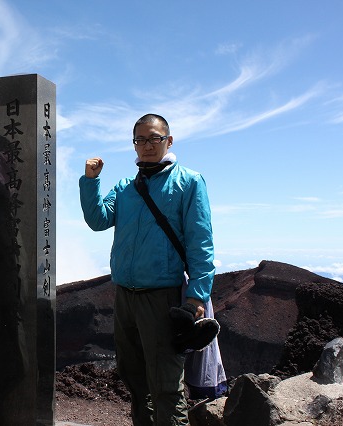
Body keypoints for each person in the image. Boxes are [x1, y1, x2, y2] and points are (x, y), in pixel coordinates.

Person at [79, 113, 215, 425]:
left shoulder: (188, 182)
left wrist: (195, 298)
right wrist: (91, 181)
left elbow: (201, 244)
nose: (147, 145)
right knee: (134, 380)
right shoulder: (127, 186)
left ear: (169, 140)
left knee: (165, 384)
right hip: (125, 296)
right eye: (140, 139)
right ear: (134, 145)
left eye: (154, 138)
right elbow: (98, 219)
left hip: (162, 298)